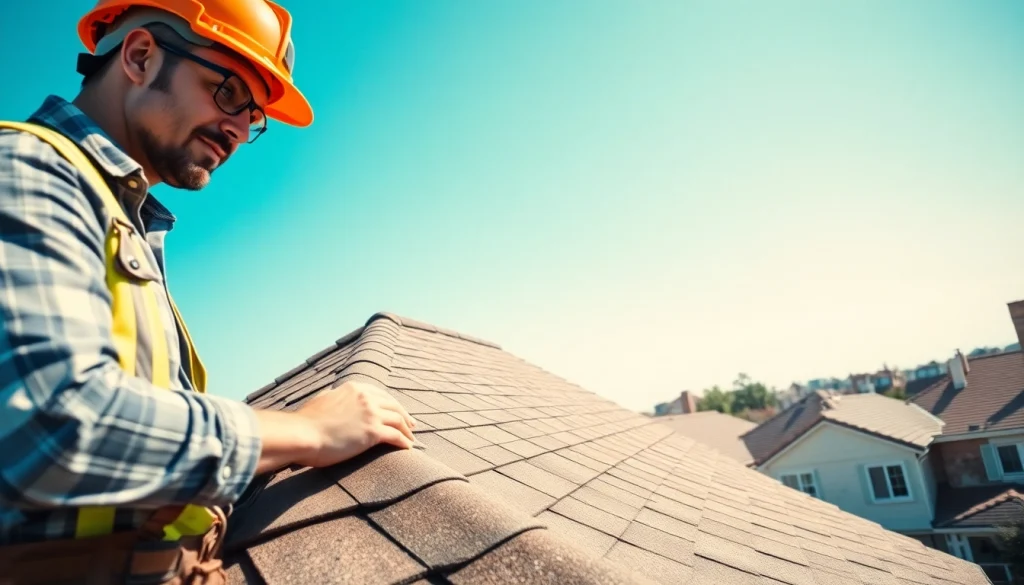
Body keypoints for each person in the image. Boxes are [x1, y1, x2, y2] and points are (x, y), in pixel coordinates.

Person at [0, 1, 416, 582]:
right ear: (141, 56)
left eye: (255, 118)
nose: (241, 130)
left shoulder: (126, 220)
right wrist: (305, 429)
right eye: (228, 94)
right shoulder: (25, 169)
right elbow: (48, 430)